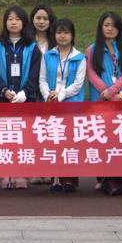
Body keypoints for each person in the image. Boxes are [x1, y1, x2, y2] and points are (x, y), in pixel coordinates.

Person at [0, 5, 42, 190]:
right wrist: (3, 90)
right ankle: (4, 174)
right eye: (10, 19)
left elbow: (35, 74)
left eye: (17, 19)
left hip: (25, 99)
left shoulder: (32, 47)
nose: (13, 22)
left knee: (23, 138)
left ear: (24, 23)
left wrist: (25, 92)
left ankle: (20, 174)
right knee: (3, 137)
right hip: (2, 99)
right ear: (5, 23)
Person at [86, 12, 122, 196]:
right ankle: (104, 179)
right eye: (106, 25)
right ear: (101, 27)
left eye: (113, 26)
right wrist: (106, 92)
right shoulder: (92, 50)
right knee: (102, 139)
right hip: (101, 101)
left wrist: (113, 92)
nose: (110, 29)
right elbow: (91, 74)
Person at [39, 18, 86, 193]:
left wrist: (60, 95)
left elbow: (78, 85)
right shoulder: (48, 56)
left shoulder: (80, 58)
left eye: (66, 32)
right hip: (52, 105)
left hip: (72, 105)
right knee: (54, 142)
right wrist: (48, 95)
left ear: (72, 35)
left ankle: (70, 179)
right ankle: (56, 179)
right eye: (59, 32)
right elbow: (42, 79)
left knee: (70, 143)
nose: (62, 36)